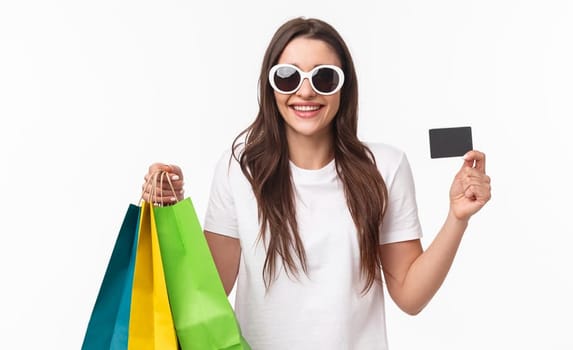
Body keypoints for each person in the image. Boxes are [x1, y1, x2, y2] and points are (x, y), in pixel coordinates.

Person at [140, 17, 491, 349]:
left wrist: (457, 218)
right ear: (270, 86)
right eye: (288, 77)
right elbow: (207, 294)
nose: (305, 92)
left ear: (344, 87)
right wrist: (168, 215)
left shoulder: (385, 167)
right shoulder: (240, 169)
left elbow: (411, 296)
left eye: (323, 78)